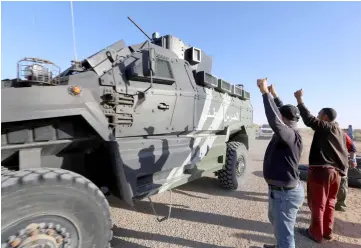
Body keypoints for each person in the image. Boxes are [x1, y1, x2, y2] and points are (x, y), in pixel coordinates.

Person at [294, 88, 349, 243]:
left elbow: (309, 119)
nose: (317, 117)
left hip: (322, 171)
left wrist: (299, 100)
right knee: (330, 202)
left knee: (318, 203)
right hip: (336, 174)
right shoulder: (339, 130)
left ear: (325, 117)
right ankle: (327, 232)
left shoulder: (327, 126)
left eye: (319, 114)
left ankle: (315, 234)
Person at [257, 79, 304, 248]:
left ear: (283, 118)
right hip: (280, 192)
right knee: (278, 226)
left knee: (285, 237)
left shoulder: (289, 135)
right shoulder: (291, 127)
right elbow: (281, 111)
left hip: (285, 194)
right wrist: (275, 96)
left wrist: (264, 94)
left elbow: (275, 119)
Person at [335, 132, 357, 212]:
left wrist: (353, 159)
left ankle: (341, 204)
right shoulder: (321, 133)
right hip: (327, 163)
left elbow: (352, 149)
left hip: (341, 163)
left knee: (342, 182)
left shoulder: (342, 135)